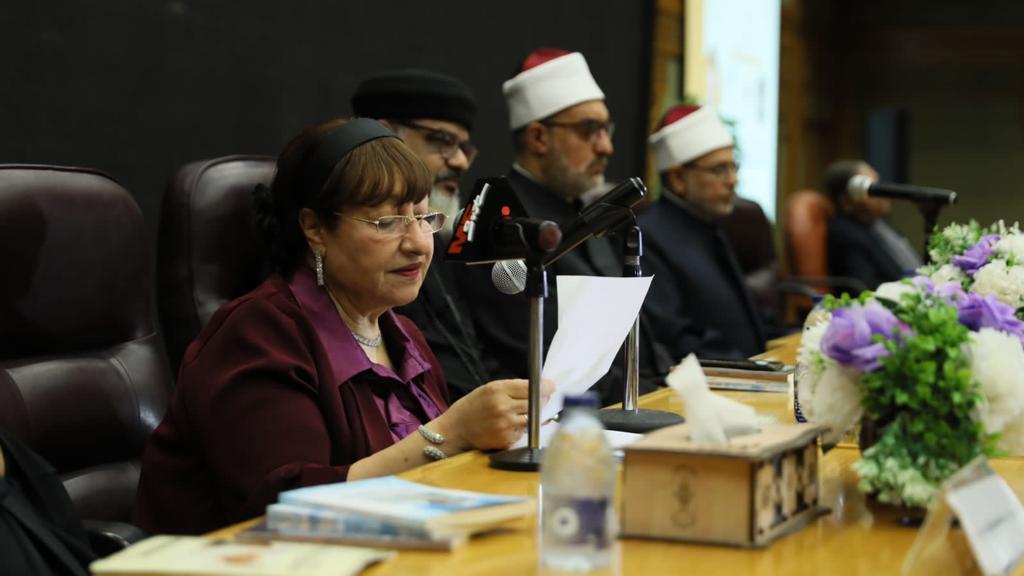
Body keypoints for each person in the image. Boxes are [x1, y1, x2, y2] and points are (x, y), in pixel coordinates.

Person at [134, 118, 550, 535]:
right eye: (387, 222)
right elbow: (283, 505)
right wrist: (451, 433)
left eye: (424, 217)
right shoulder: (257, 335)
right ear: (315, 228)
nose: (418, 244)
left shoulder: (405, 337)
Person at [459, 48, 672, 405]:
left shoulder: (582, 210)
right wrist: (660, 398)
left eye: (606, 129)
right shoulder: (500, 222)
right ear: (538, 138)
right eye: (590, 130)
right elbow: (548, 365)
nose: (606, 147)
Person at [350, 69, 497, 401]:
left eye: (423, 219)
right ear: (384, 134)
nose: (461, 161)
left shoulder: (441, 244)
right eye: (442, 141)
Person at [641, 104, 766, 359]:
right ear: (678, 178)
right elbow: (672, 336)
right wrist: (746, 368)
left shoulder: (707, 223)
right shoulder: (647, 236)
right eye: (719, 170)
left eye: (734, 166)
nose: (733, 180)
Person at [824, 159, 922, 290]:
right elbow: (865, 290)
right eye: (872, 189)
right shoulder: (846, 235)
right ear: (846, 200)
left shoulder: (879, 224)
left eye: (878, 184)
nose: (883, 193)